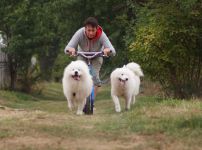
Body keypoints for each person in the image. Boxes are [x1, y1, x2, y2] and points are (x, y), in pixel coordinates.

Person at [64, 17, 116, 96]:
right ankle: (79, 94)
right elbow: (67, 49)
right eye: (88, 30)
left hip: (97, 55)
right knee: (79, 74)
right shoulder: (79, 33)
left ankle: (92, 100)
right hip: (82, 55)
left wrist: (108, 51)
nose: (91, 33)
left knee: (95, 78)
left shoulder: (102, 35)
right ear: (85, 29)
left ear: (97, 28)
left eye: (93, 30)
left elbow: (113, 51)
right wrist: (71, 49)